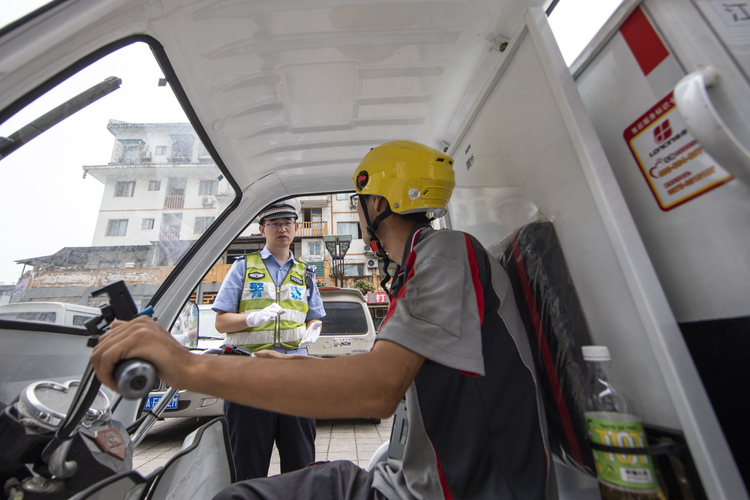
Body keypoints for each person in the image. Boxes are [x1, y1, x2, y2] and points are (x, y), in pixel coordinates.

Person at [91, 141, 555, 499]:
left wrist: (187, 366)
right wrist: (274, 363)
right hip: (410, 477)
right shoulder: (420, 268)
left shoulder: (446, 254)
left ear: (376, 204)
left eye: (358, 199)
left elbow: (375, 389)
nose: (286, 228)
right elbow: (379, 372)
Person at [211, 198, 326, 481]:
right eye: (274, 224)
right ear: (262, 229)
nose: (281, 229)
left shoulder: (305, 273)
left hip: (295, 379)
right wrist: (251, 319)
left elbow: (314, 316)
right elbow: (221, 321)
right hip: (250, 378)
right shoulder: (242, 267)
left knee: (301, 467)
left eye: (287, 223)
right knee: (247, 468)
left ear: (296, 228)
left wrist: (313, 328)